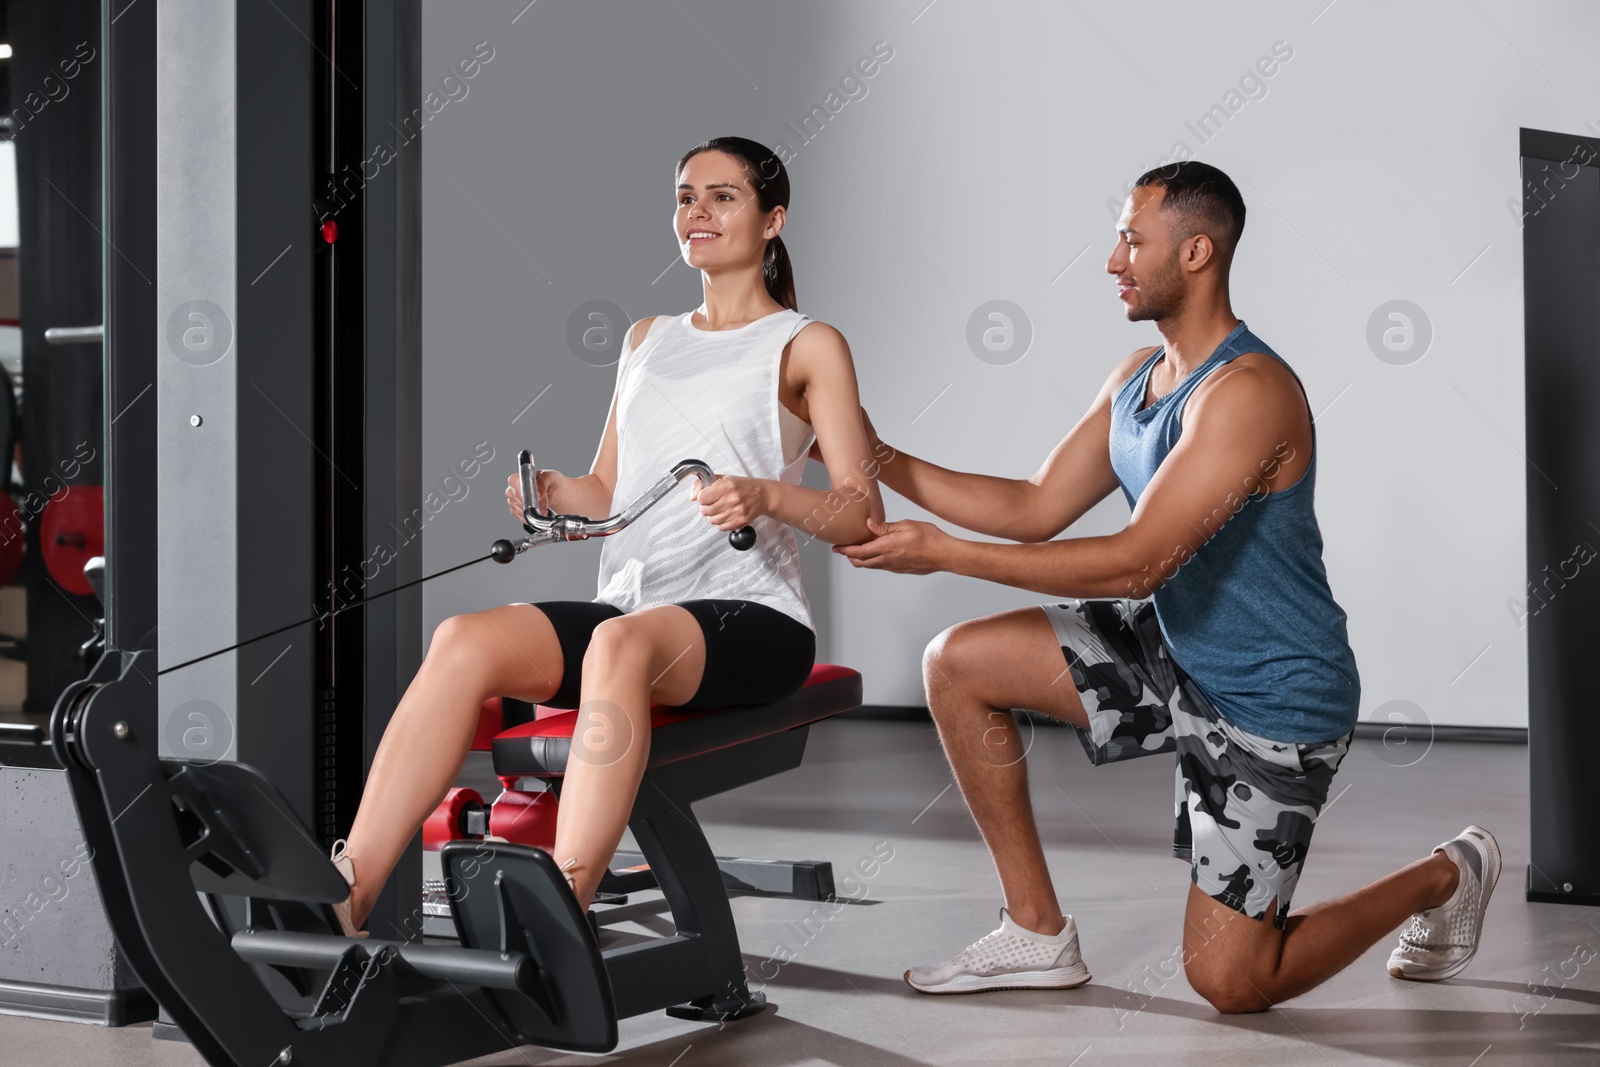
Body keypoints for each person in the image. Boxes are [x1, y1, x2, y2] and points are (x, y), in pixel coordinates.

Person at [833, 161, 1498, 1011]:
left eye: (1130, 239)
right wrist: (877, 456)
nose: (1112, 261)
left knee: (1231, 980)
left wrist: (943, 553)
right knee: (957, 661)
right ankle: (1037, 932)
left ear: (1196, 251)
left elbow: (1137, 561)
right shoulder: (1137, 379)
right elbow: (1035, 505)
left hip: (1272, 701)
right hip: (1175, 651)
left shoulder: (1249, 393)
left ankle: (1446, 873)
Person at [328, 136, 884, 936]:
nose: (698, 211)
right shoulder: (648, 338)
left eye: (723, 196)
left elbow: (860, 510)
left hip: (750, 616)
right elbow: (609, 489)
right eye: (686, 195)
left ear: (774, 220)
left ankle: (563, 906)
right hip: (633, 604)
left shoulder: (806, 343)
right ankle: (354, 887)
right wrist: (556, 492)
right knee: (464, 637)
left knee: (615, 649)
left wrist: (767, 494)